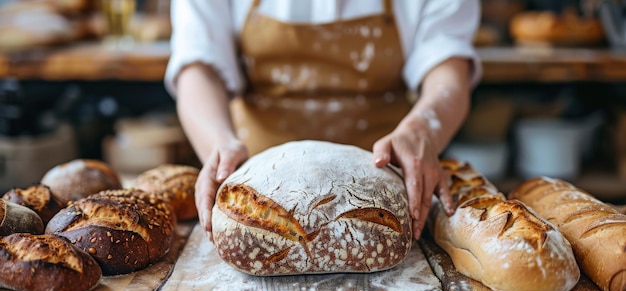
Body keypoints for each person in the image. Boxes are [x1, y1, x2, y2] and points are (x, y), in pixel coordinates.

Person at [165, 0, 482, 241]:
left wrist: (421, 128)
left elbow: (448, 68)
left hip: (384, 192)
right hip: (257, 189)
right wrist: (219, 144)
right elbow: (198, 68)